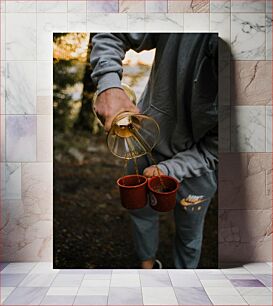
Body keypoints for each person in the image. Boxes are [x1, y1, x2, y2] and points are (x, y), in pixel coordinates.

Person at [90, 33, 218, 269]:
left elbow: (217, 149)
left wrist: (169, 168)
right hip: (142, 139)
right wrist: (108, 83)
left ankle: (184, 281)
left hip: (197, 169)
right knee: (141, 214)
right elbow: (111, 28)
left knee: (190, 234)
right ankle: (147, 268)